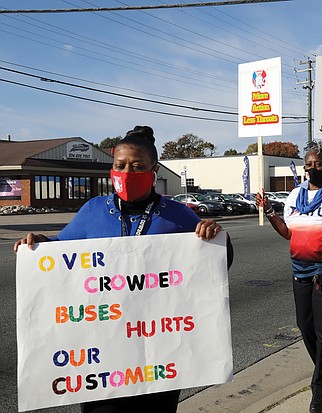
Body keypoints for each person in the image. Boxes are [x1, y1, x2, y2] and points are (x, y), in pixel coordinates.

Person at [14, 125, 233, 413]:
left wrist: (215, 235)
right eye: (120, 165)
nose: (127, 172)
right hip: (101, 356)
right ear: (111, 169)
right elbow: (58, 259)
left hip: (159, 355)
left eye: (137, 166)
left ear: (154, 170)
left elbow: (216, 263)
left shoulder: (177, 214)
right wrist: (39, 245)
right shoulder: (92, 211)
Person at [255, 140, 322, 413]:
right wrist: (269, 211)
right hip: (300, 272)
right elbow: (288, 233)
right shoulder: (294, 196)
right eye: (308, 164)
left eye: (318, 164)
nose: (312, 168)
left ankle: (320, 388)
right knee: (305, 326)